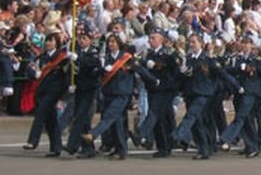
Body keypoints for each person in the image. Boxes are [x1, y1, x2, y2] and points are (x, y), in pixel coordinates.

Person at [173, 34, 239, 160]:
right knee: (197, 123)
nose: (191, 44)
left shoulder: (208, 60)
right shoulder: (188, 59)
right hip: (190, 93)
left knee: (191, 115)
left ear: (201, 44)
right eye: (190, 42)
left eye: (194, 42)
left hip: (203, 94)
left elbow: (222, 74)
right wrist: (182, 73)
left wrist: (237, 86)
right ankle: (204, 150)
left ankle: (178, 135)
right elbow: (181, 78)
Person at [220, 36, 261, 158]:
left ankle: (227, 138)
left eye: (247, 44)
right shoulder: (239, 59)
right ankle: (252, 146)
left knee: (241, 117)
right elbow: (227, 70)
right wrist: (239, 68)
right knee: (247, 121)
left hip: (251, 94)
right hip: (239, 93)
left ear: (251, 46)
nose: (245, 46)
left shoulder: (257, 61)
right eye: (243, 43)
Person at [81, 34, 137, 159]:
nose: (111, 44)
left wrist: (153, 80)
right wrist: (103, 70)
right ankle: (121, 150)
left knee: (109, 116)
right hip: (109, 93)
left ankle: (93, 134)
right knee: (117, 122)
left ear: (119, 43)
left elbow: (136, 69)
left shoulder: (126, 57)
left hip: (122, 93)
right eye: (109, 42)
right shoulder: (105, 58)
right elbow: (96, 73)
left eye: (113, 42)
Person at [23, 32, 69, 156]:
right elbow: (29, 68)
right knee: (51, 120)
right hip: (42, 90)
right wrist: (34, 73)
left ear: (57, 43)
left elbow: (67, 75)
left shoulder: (62, 58)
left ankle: (33, 141)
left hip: (54, 91)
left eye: (51, 40)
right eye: (47, 40)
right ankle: (56, 148)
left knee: (40, 113)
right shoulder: (41, 57)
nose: (48, 43)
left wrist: (64, 94)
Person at [136, 28, 180, 158]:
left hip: (166, 90)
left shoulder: (168, 53)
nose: (150, 40)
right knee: (162, 119)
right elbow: (144, 68)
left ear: (161, 39)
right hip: (153, 89)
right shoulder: (148, 54)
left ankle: (141, 134)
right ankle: (164, 146)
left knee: (154, 113)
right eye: (150, 38)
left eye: (153, 38)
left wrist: (175, 88)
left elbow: (173, 69)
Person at [63, 32, 101, 157]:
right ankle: (88, 148)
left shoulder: (93, 52)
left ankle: (72, 145)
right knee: (83, 119)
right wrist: (71, 84)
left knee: (80, 117)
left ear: (90, 40)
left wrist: (78, 58)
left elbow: (91, 63)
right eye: (80, 38)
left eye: (84, 38)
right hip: (79, 88)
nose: (81, 41)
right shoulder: (77, 52)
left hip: (89, 89)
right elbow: (73, 70)